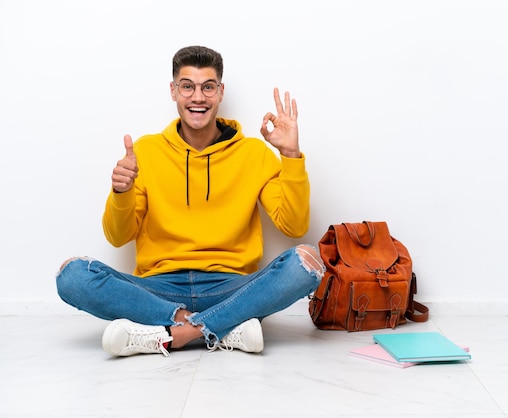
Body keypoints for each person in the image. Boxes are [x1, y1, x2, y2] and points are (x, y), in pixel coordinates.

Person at [56, 46, 325, 357]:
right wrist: (121, 192)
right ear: (174, 91)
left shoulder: (254, 153)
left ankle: (172, 334)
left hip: (231, 287)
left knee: (307, 262)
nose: (198, 97)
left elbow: (294, 226)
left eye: (208, 86)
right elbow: (118, 237)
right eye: (188, 86)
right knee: (72, 275)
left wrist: (290, 156)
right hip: (159, 288)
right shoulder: (146, 151)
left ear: (220, 92)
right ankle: (216, 327)